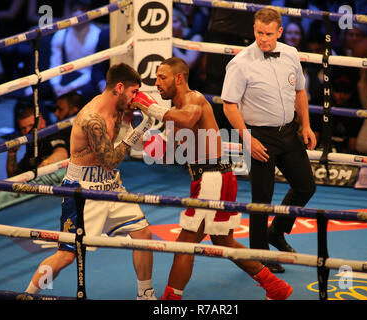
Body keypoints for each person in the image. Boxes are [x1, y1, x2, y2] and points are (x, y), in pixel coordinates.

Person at [131, 57, 293, 300]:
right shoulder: (176, 111)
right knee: (223, 240)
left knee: (184, 246)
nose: (156, 83)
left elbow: (187, 118)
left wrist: (150, 107)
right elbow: (168, 153)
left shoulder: (193, 99)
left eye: (162, 77)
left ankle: (170, 301)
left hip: (212, 179)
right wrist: (137, 131)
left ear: (179, 78)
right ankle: (275, 286)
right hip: (209, 178)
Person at [25, 63, 157, 300]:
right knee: (66, 255)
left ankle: (145, 295)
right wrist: (138, 131)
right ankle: (28, 295)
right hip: (82, 191)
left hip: (110, 184)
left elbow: (113, 162)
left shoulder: (119, 106)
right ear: (119, 87)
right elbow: (111, 160)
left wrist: (146, 113)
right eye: (133, 92)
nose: (136, 98)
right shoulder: (92, 119)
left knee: (143, 234)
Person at [221, 8, 317, 273]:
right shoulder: (240, 63)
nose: (263, 39)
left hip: (288, 132)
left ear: (280, 32)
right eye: (259, 32)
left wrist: (306, 125)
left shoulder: (290, 54)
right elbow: (229, 106)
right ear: (254, 29)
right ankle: (260, 255)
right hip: (258, 135)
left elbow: (300, 91)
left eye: (269, 34)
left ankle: (277, 231)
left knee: (306, 186)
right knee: (261, 198)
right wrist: (247, 139)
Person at [48, 0, 101, 102]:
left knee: (86, 94)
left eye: (83, 10)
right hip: (67, 75)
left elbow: (94, 70)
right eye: (75, 10)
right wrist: (56, 86)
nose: (78, 13)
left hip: (88, 80)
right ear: (70, 12)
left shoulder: (98, 35)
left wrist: (69, 88)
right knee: (35, 91)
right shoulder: (61, 35)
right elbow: (55, 65)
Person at [6, 106, 70, 178]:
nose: (27, 131)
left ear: (43, 124)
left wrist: (37, 173)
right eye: (23, 128)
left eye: (31, 126)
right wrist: (12, 154)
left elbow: (61, 154)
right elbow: (14, 178)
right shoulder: (31, 147)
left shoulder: (53, 135)